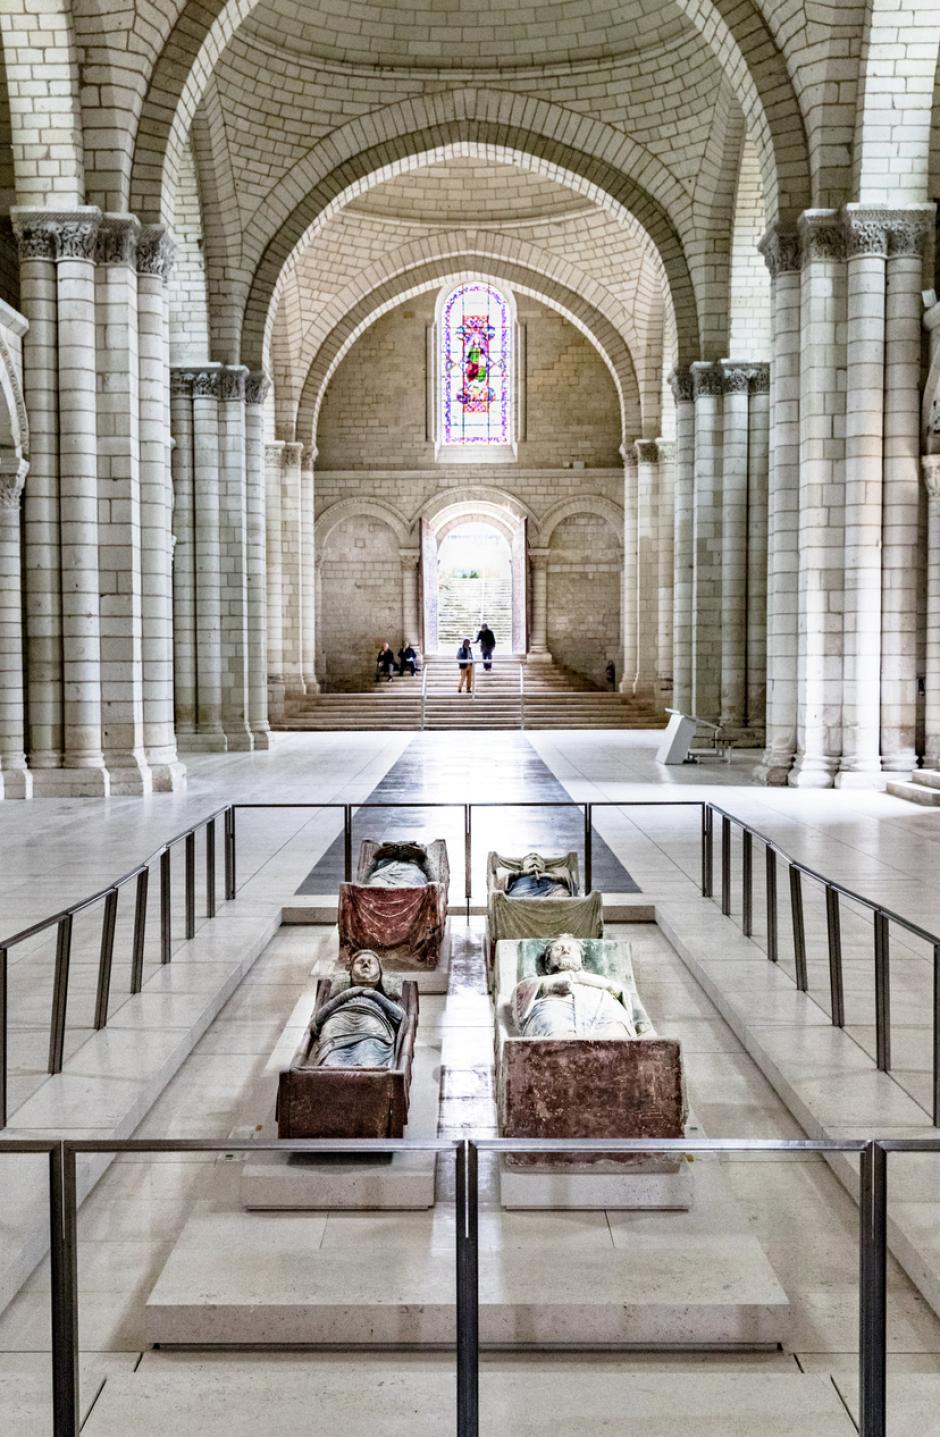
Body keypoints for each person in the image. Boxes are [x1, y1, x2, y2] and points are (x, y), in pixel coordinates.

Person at [509, 934, 654, 1041]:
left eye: (572, 949)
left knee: (615, 1032)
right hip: (555, 1007)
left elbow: (623, 995)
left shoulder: (600, 980)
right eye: (558, 949)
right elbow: (519, 995)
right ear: (547, 964)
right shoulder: (540, 980)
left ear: (581, 961)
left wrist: (587, 980)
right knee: (554, 1029)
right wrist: (550, 985)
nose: (566, 951)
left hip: (602, 1007)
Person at [310, 950, 405, 1069]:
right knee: (333, 1060)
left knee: (368, 1049)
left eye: (371, 962)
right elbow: (318, 1019)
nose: (366, 964)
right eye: (360, 962)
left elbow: (399, 1017)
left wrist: (374, 995)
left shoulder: (382, 997)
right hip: (338, 1026)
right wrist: (347, 994)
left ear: (380, 974)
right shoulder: (342, 996)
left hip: (371, 1027)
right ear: (350, 973)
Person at [505, 852, 575, 899]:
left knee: (563, 894)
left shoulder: (552, 876)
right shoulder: (515, 876)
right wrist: (523, 873)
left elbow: (572, 887)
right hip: (522, 892)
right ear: (522, 866)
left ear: (544, 867)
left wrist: (552, 877)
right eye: (529, 858)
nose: (534, 859)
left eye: (539, 860)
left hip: (550, 892)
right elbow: (500, 887)